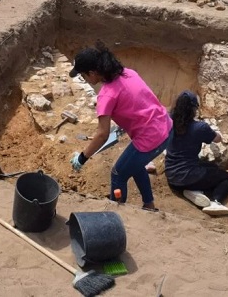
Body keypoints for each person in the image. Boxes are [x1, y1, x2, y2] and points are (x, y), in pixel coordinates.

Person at [68, 41, 172, 211]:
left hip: (151, 138)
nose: (85, 80)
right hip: (166, 127)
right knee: (135, 165)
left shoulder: (106, 95)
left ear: (93, 73)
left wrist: (82, 158)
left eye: (84, 76)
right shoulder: (128, 73)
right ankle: (149, 205)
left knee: (118, 174)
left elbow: (102, 134)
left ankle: (118, 214)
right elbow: (137, 100)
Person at [165, 91, 228, 216]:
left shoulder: (169, 121)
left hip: (172, 177)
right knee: (227, 178)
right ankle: (216, 202)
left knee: (212, 167)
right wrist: (215, 131)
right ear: (193, 109)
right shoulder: (200, 127)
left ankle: (193, 191)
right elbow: (217, 139)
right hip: (189, 176)